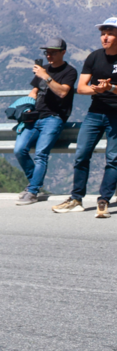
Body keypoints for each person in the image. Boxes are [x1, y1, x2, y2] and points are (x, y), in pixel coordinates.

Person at [53, 18, 117, 218]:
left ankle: (103, 200)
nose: (104, 37)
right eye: (102, 33)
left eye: (109, 33)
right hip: (95, 113)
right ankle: (76, 199)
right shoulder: (94, 57)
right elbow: (80, 88)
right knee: (81, 155)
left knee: (113, 159)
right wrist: (97, 89)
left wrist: (111, 88)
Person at [16, 39, 76, 206]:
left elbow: (63, 92)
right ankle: (33, 184)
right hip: (35, 117)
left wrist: (46, 77)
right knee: (19, 149)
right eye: (47, 52)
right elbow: (34, 90)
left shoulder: (69, 71)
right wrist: (28, 104)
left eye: (53, 52)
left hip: (54, 118)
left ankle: (33, 191)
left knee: (41, 154)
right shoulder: (44, 70)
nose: (49, 55)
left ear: (63, 52)